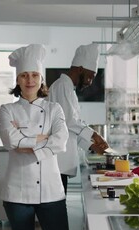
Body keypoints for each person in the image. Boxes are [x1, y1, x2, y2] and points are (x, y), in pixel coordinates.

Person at [0, 44, 70, 230]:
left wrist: (27, 144)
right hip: (17, 194)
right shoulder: (7, 109)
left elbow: (61, 141)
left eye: (34, 75)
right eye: (24, 75)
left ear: (41, 79)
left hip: (51, 191)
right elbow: (9, 139)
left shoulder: (54, 109)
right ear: (18, 80)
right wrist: (42, 138)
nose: (30, 80)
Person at [47, 43, 109, 194]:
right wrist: (95, 134)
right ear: (80, 69)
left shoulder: (69, 89)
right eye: (89, 76)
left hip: (62, 162)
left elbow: (71, 129)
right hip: (56, 162)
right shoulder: (62, 86)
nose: (90, 82)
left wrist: (92, 146)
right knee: (57, 206)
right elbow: (69, 121)